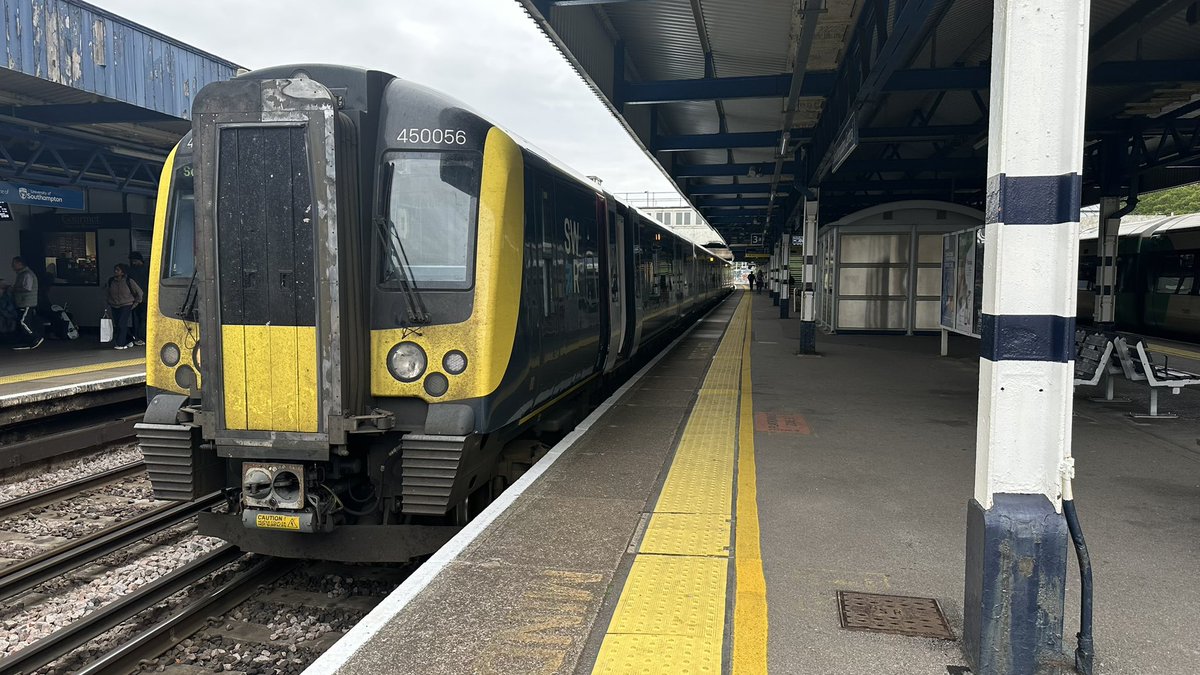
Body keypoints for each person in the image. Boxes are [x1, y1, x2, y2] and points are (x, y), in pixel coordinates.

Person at [105, 263, 144, 350]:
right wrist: (108, 302)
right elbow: (107, 292)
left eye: (118, 270)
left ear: (123, 272)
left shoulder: (129, 281)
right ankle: (129, 339)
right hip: (114, 305)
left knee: (122, 323)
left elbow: (140, 293)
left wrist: (136, 303)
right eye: (115, 270)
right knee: (118, 324)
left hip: (126, 305)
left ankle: (120, 344)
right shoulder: (111, 281)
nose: (115, 271)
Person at [9, 256, 43, 350]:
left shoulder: (27, 274)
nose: (12, 265)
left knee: (23, 322)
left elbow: (27, 288)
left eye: (14, 263)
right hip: (23, 303)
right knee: (22, 322)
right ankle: (25, 341)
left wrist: (13, 289)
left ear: (20, 263)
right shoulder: (22, 274)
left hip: (26, 303)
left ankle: (35, 338)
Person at [128, 251, 150, 345]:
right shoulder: (148, 268)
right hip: (144, 297)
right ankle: (141, 337)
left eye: (134, 261)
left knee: (138, 318)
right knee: (142, 318)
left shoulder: (131, 271)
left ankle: (139, 337)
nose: (133, 263)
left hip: (137, 298)